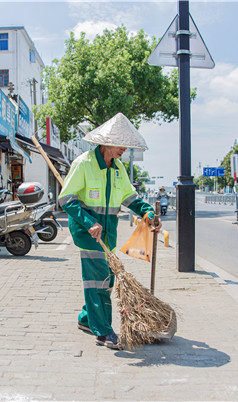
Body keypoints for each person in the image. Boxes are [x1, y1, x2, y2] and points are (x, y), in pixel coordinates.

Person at [58, 114, 161, 350]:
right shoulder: (83, 163)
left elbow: (130, 197)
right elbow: (66, 199)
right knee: (98, 281)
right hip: (88, 232)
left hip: (109, 232)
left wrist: (148, 213)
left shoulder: (118, 169)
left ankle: (86, 319)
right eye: (121, 144)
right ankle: (103, 331)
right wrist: (88, 221)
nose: (124, 150)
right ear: (106, 143)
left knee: (108, 279)